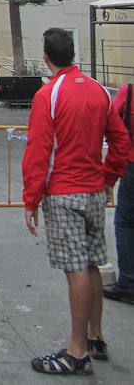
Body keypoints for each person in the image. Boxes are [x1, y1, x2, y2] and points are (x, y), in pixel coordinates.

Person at [22, 28, 129, 375]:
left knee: (76, 267)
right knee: (94, 262)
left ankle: (76, 349)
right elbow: (121, 142)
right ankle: (95, 336)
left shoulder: (49, 95)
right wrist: (109, 177)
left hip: (64, 192)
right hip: (95, 190)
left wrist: (31, 198)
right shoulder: (98, 90)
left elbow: (39, 151)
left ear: (46, 56)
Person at [103, 81, 134, 304]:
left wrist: (109, 178)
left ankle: (128, 282)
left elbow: (112, 126)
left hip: (132, 166)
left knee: (125, 222)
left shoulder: (129, 92)